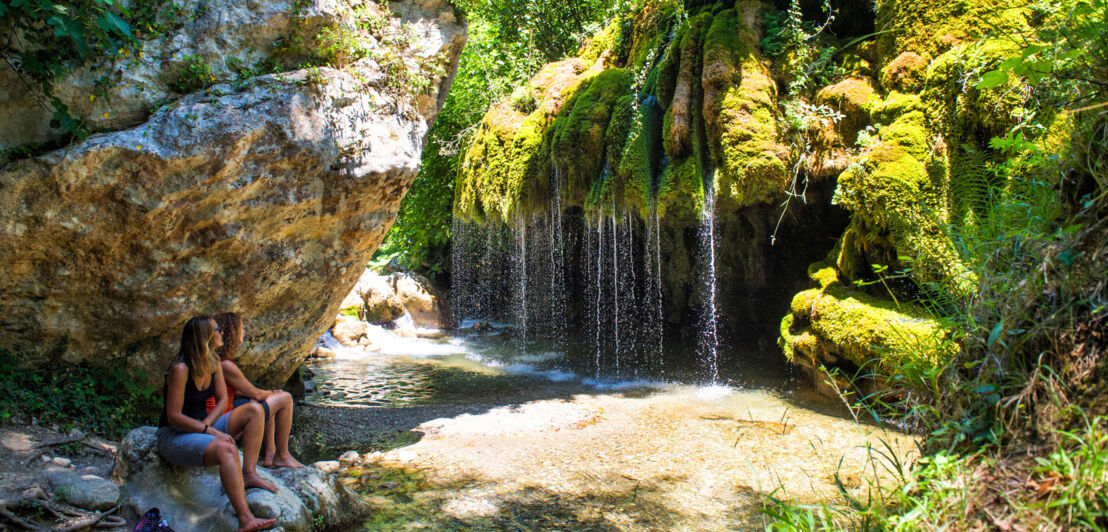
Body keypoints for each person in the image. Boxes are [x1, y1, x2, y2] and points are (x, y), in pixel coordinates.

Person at [156, 316, 278, 532]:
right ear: (206, 337)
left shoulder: (213, 362)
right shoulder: (181, 369)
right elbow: (173, 416)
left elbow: (222, 400)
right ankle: (245, 519)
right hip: (174, 435)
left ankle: (249, 474)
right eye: (218, 329)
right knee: (227, 449)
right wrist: (209, 431)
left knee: (254, 410)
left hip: (202, 427)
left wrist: (207, 425)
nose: (222, 332)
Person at [209, 312, 304, 469]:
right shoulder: (226, 365)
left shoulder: (220, 360)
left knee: (264, 401)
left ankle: (270, 454)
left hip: (221, 412)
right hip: (220, 417)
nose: (244, 332)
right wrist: (274, 393)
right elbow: (256, 393)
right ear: (232, 333)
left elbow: (231, 391)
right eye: (242, 328)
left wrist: (267, 395)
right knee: (285, 398)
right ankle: (282, 455)